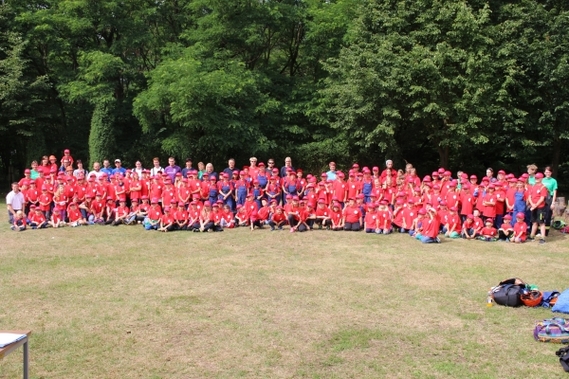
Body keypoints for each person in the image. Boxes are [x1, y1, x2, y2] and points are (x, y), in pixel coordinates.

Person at [528, 172, 547, 244]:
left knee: (541, 222)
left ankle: (543, 238)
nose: (537, 179)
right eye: (536, 178)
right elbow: (529, 197)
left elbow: (542, 198)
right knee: (534, 222)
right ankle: (531, 236)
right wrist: (532, 204)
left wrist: (535, 205)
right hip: (533, 207)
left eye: (538, 178)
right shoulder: (533, 186)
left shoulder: (543, 187)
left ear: (541, 178)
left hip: (540, 208)